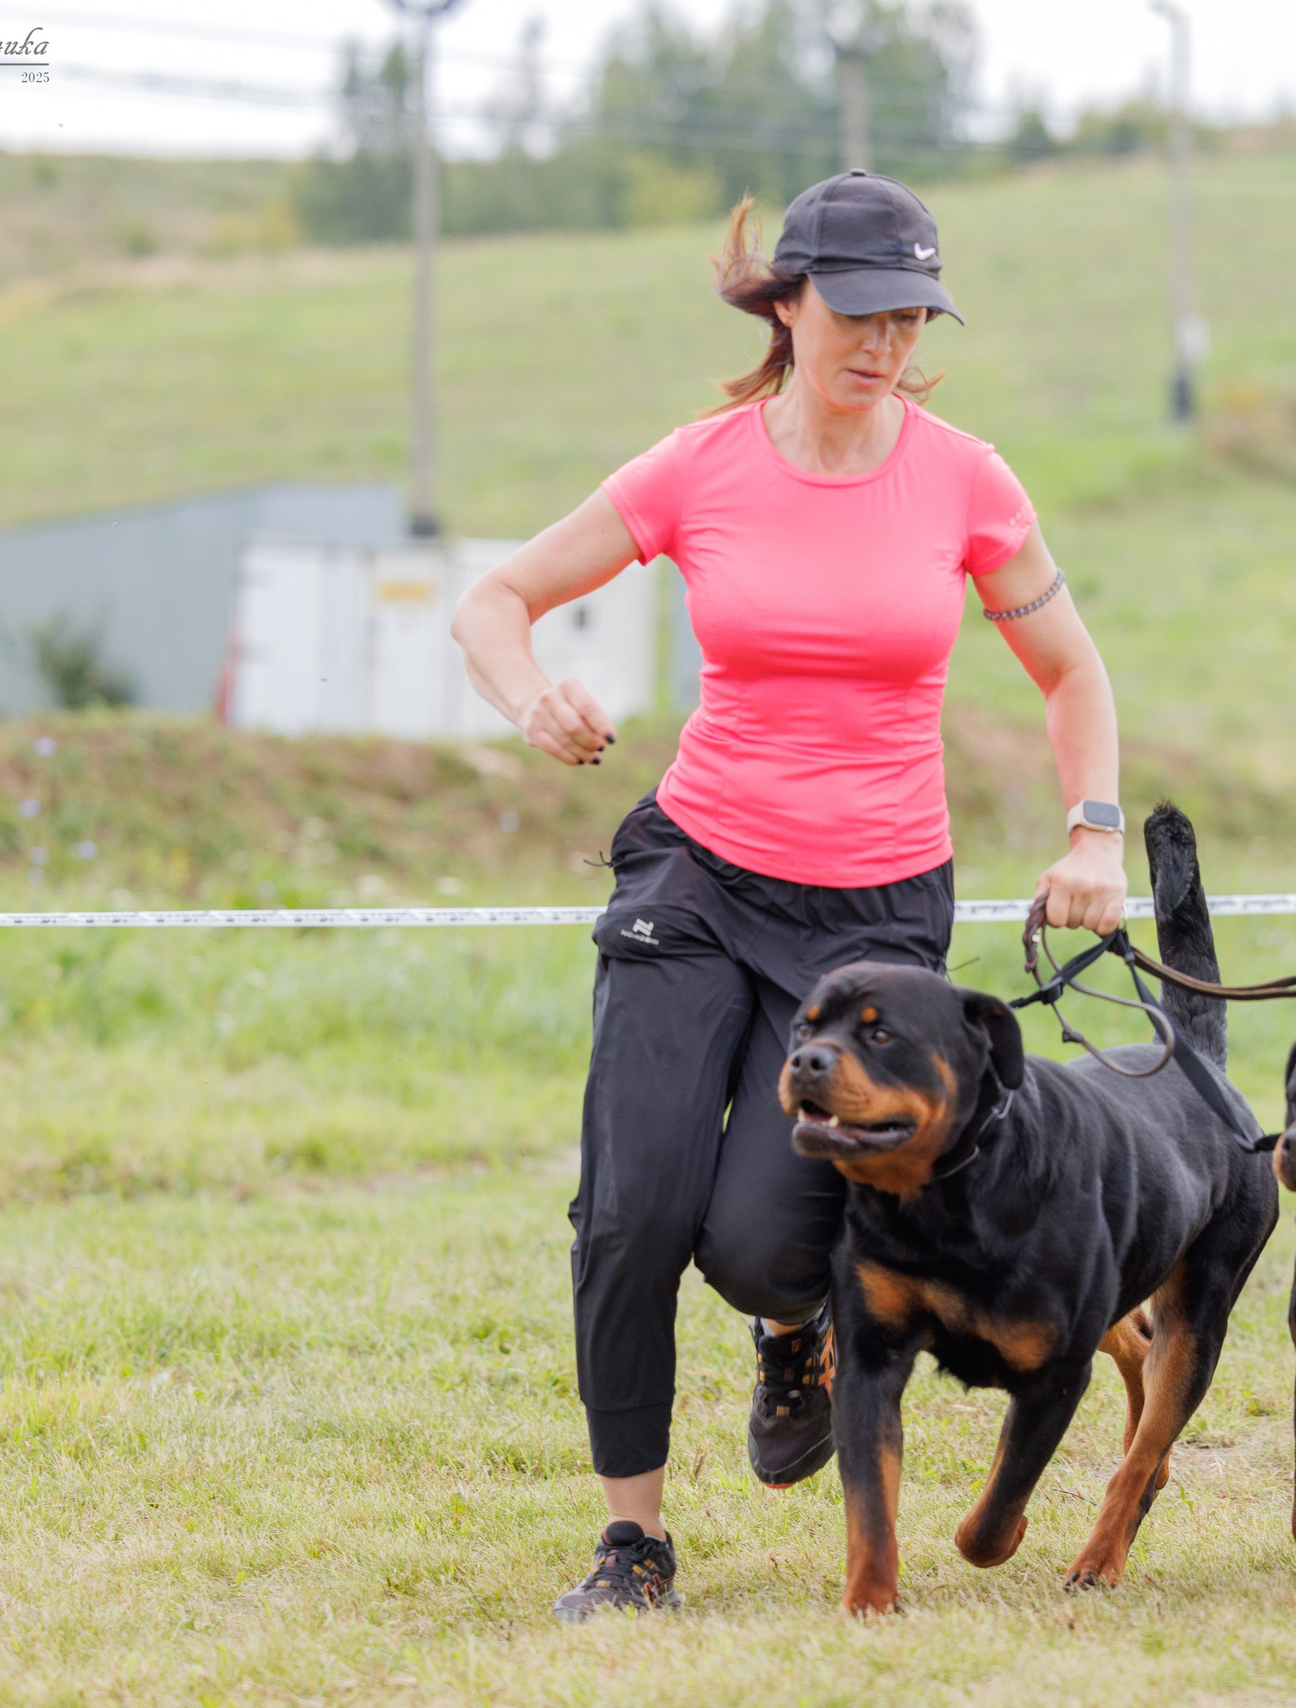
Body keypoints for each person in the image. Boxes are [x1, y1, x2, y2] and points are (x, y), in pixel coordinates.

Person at [451, 171, 1130, 1620]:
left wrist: (1095, 833)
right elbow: (494, 599)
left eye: (911, 317)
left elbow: (1073, 671)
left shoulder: (965, 478)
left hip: (879, 909)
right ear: (787, 301)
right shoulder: (699, 466)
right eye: (859, 311)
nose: (884, 341)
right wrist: (532, 703)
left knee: (766, 1240)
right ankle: (631, 1542)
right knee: (633, 1208)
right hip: (698, 870)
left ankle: (792, 1327)